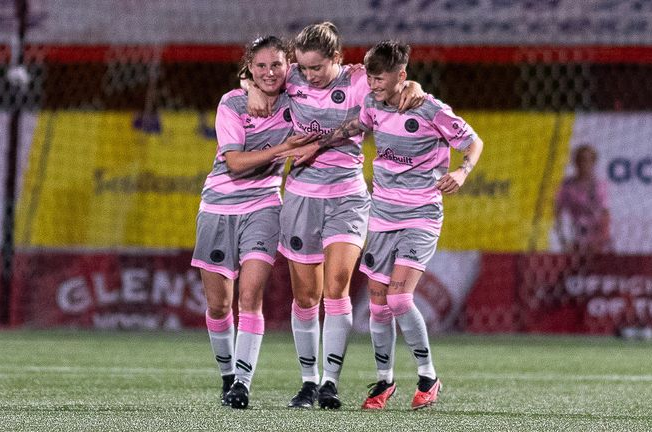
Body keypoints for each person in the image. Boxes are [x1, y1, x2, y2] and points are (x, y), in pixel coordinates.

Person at [246, 22, 425, 410]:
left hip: (347, 196)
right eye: (303, 69)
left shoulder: (359, 82)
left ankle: (330, 382)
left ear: (337, 60)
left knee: (337, 286)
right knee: (306, 296)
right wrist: (250, 87)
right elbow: (255, 73)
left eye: (317, 69)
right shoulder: (290, 77)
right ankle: (308, 383)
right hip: (300, 198)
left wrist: (414, 87)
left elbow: (397, 86)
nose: (309, 76)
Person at [332, 40, 483, 410]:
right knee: (379, 307)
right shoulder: (371, 103)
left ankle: (428, 376)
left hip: (420, 215)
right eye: (370, 77)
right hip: (382, 216)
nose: (373, 84)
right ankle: (383, 382)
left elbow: (474, 141)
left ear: (402, 75)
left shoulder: (430, 109)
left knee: (400, 299)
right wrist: (319, 138)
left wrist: (462, 172)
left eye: (380, 78)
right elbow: (357, 124)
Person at [190, 35, 319, 410]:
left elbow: (331, 78)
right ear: (249, 67)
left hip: (264, 205)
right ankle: (229, 376)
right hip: (217, 206)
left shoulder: (296, 94)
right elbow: (234, 162)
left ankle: (242, 384)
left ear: (288, 66)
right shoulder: (232, 102)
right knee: (218, 305)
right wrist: (282, 149)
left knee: (250, 297)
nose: (269, 73)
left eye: (276, 65)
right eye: (260, 66)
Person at [554, 144, 612, 254]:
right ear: (575, 162)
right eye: (580, 160)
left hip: (597, 236)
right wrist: (563, 239)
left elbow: (605, 213)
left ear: (593, 162)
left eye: (587, 160)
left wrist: (602, 238)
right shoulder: (566, 186)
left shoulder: (600, 185)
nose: (584, 164)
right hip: (575, 235)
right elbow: (558, 214)